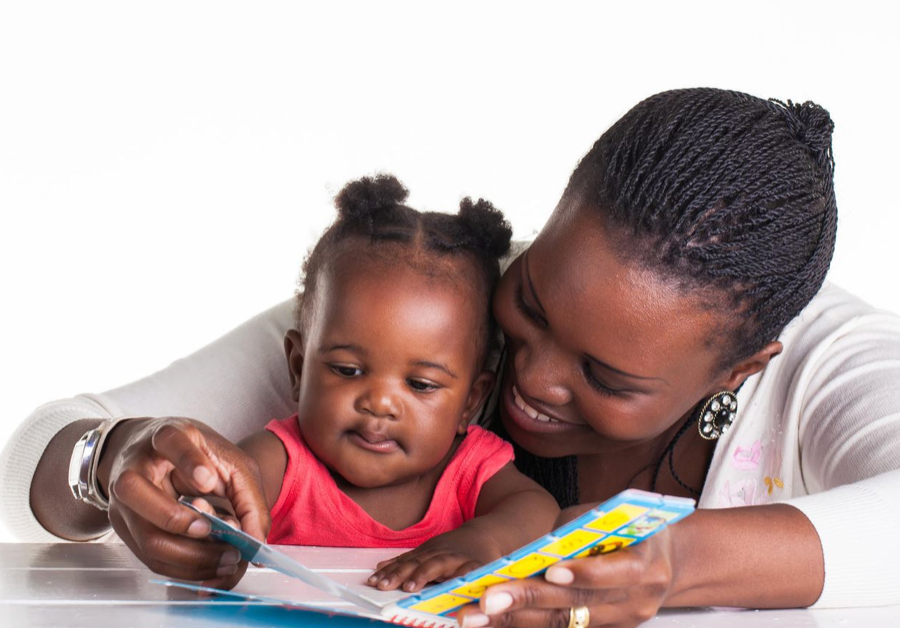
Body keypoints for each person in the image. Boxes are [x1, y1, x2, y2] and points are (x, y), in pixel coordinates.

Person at [5, 88, 900, 628]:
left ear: (740, 370)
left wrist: (673, 566)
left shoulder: (820, 363)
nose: (535, 378)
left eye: (608, 378)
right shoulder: (425, 313)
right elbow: (32, 464)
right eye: (534, 305)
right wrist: (113, 458)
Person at [228, 174, 557, 592]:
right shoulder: (283, 461)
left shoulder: (468, 470)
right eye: (348, 370)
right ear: (298, 367)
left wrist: (481, 540)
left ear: (470, 402)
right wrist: (216, 518)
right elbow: (229, 485)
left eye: (420, 384)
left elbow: (537, 508)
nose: (380, 403)